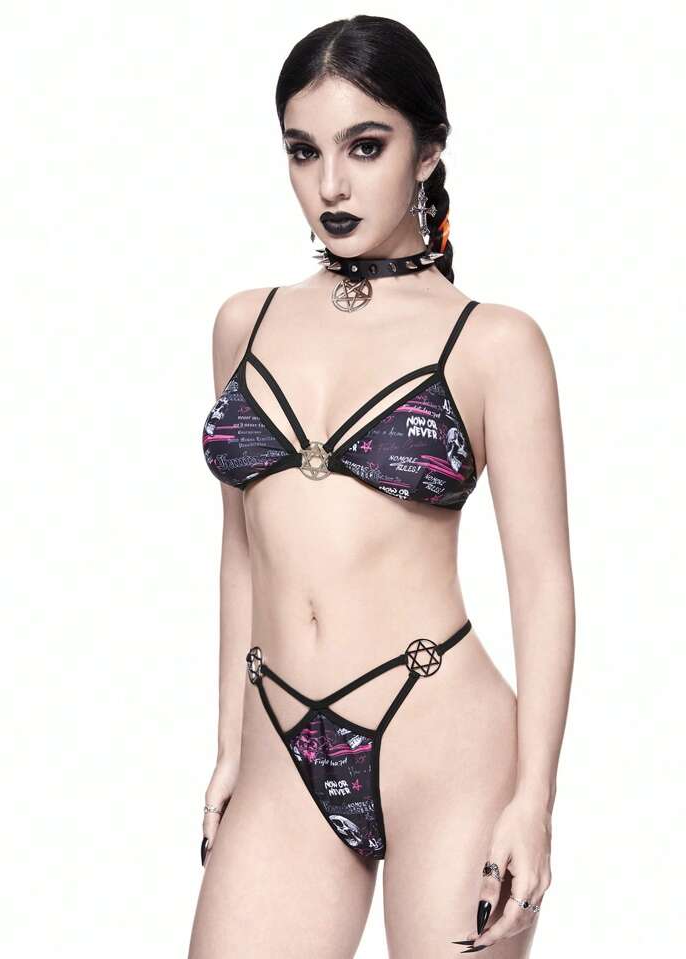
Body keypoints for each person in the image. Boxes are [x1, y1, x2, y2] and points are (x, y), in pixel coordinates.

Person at [188, 15, 574, 959]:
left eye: (366, 146)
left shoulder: (494, 342)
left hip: (445, 747)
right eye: (303, 151)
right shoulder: (244, 324)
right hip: (280, 743)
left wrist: (533, 798)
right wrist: (231, 743)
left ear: (428, 150)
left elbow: (542, 582)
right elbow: (242, 549)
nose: (331, 184)